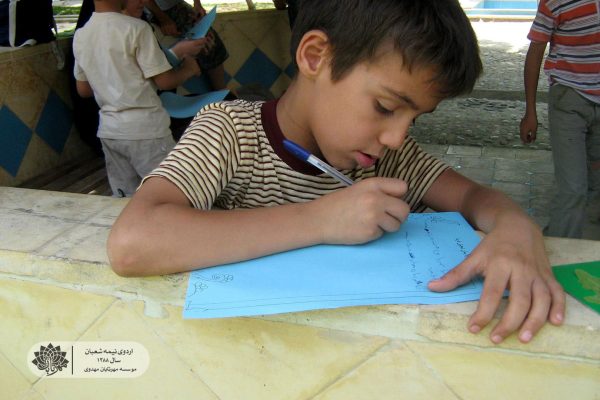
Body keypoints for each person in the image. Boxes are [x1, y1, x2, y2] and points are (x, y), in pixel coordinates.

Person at [108, 0, 565, 345]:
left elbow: (473, 198)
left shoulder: (386, 159)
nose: (396, 137)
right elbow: (132, 243)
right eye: (385, 106)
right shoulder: (229, 134)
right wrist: (321, 220)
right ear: (315, 57)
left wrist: (515, 227)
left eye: (414, 119)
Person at [72, 0, 204, 197]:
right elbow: (165, 81)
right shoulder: (137, 29)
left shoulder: (82, 35)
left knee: (126, 198)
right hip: (147, 132)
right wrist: (189, 69)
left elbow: (83, 89)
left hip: (110, 132)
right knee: (172, 195)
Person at [519, 0, 600, 238]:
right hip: (569, 101)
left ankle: (588, 250)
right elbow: (535, 54)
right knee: (573, 189)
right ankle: (559, 249)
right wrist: (530, 112)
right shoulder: (554, 3)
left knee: (596, 187)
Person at [145, 0, 229, 90]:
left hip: (173, 5)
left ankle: (221, 90)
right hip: (155, 10)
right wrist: (164, 19)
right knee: (202, 41)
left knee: (209, 38)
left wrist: (197, 5)